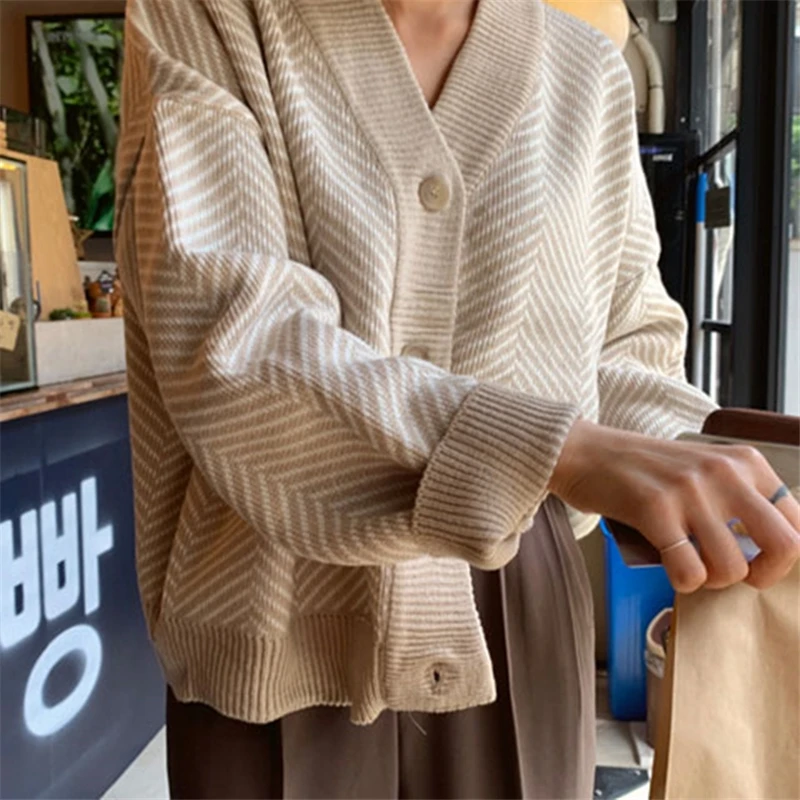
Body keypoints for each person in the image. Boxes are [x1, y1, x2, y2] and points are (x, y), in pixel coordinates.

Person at [115, 1, 800, 797]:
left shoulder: (587, 71)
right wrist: (560, 450)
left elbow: (624, 348)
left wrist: (726, 483)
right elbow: (233, 348)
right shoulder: (203, 18)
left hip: (516, 604)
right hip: (272, 611)